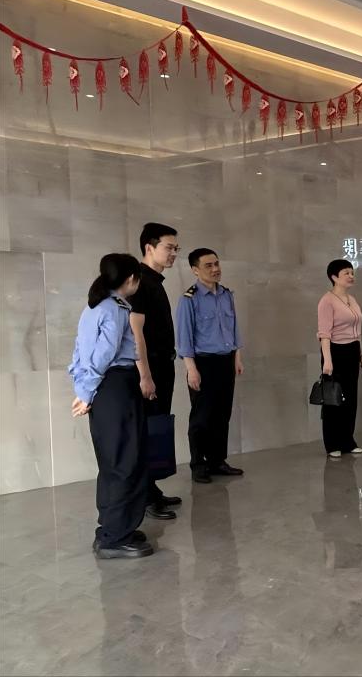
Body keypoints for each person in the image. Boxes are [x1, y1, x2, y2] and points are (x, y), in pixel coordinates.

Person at [68, 253, 154, 559]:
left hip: (104, 389)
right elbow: (104, 354)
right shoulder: (116, 309)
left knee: (112, 461)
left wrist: (83, 390)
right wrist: (86, 392)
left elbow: (80, 352)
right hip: (116, 386)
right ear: (131, 279)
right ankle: (115, 538)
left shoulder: (94, 307)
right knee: (126, 461)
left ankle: (111, 528)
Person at [176, 248, 244, 483]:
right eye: (208, 265)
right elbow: (184, 338)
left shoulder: (226, 295)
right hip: (203, 363)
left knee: (222, 414)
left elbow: (234, 328)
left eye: (216, 264)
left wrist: (237, 357)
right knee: (201, 417)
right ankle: (198, 465)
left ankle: (217, 461)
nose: (215, 269)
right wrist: (191, 369)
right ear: (195, 270)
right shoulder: (189, 299)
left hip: (226, 360)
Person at [130, 222, 183, 520]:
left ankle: (152, 489)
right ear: (149, 247)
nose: (174, 253)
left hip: (162, 366)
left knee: (156, 427)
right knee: (147, 430)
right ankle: (145, 496)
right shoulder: (140, 282)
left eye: (176, 248)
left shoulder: (154, 281)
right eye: (169, 247)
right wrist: (145, 376)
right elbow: (135, 332)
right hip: (150, 369)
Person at [317, 259, 362, 456]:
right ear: (334, 277)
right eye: (346, 273)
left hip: (352, 350)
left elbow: (358, 331)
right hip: (335, 351)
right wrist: (328, 360)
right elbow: (324, 334)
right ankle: (332, 444)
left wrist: (361, 354)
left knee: (350, 397)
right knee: (334, 399)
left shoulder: (351, 299)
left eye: (352, 272)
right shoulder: (327, 301)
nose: (351, 276)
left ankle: (348, 441)